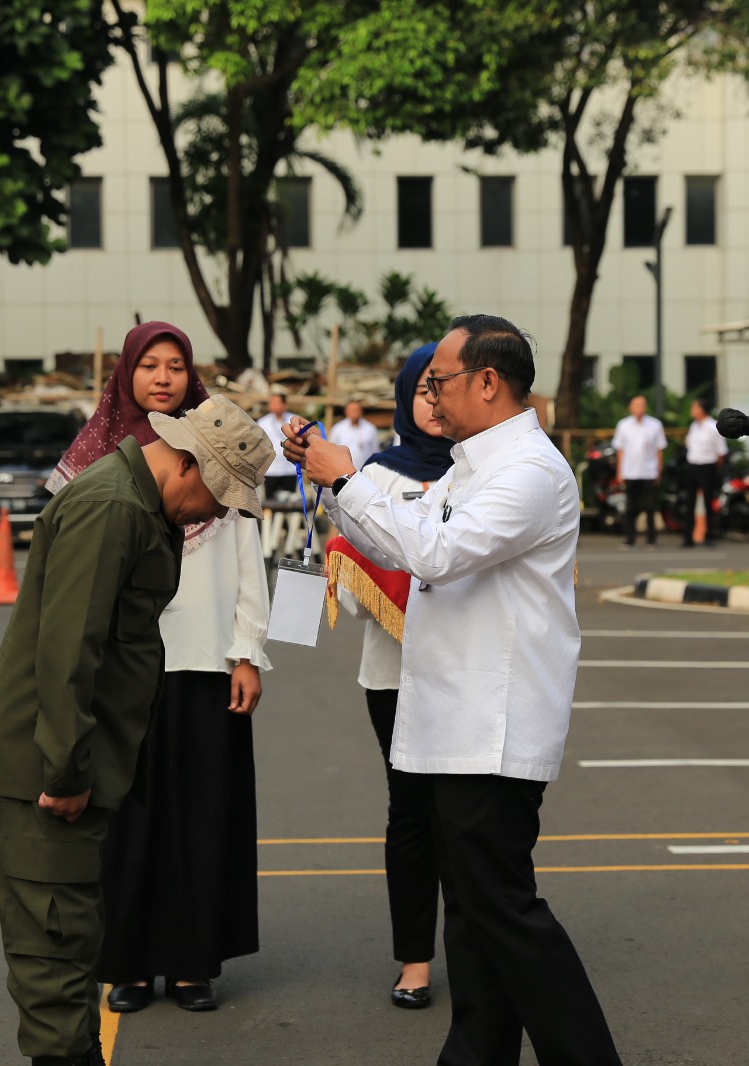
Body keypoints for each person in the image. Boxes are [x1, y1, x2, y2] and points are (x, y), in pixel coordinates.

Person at [281, 314, 622, 1066]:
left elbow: (435, 552)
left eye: (440, 380)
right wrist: (335, 486)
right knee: (471, 918)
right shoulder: (476, 463)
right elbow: (404, 530)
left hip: (491, 729)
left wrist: (347, 475)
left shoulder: (529, 470)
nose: (430, 396)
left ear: (489, 382)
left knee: (503, 913)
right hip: (454, 722)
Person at [0, 395, 271, 1066]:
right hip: (49, 774)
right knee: (55, 958)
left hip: (76, 764)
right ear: (187, 465)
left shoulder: (138, 506)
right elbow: (67, 654)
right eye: (220, 497)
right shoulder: (112, 509)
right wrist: (68, 773)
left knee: (73, 946)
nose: (218, 514)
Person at [42, 323, 271, 1017]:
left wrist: (247, 652)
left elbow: (248, 563)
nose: (164, 379)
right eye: (150, 366)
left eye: (176, 366)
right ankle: (130, 965)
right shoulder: (94, 461)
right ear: (125, 376)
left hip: (204, 664)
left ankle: (194, 963)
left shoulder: (217, 447)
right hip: (122, 675)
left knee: (202, 819)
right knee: (129, 823)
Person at [336, 343, 456, 1009]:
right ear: (405, 399)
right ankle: (414, 959)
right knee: (411, 814)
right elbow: (355, 602)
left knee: (468, 818)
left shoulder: (484, 473)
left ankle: (477, 949)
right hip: (395, 676)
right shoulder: (373, 478)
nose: (434, 403)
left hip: (469, 674)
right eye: (423, 390)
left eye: (445, 388)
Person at [612, 393, 667, 548]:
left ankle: (651, 539)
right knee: (631, 507)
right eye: (636, 405)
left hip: (649, 471)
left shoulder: (655, 425)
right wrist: (619, 472)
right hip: (630, 471)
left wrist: (659, 470)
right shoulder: (623, 425)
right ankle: (630, 539)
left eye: (642, 405)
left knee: (650, 507)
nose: (639, 408)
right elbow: (620, 450)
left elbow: (659, 450)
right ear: (630, 407)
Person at [681, 397, 728, 547]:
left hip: (707, 467)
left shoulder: (713, 427)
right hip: (692, 466)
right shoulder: (694, 426)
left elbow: (721, 452)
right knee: (690, 503)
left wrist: (715, 468)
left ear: (702, 409)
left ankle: (710, 536)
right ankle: (688, 537)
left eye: (694, 407)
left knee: (708, 503)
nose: (692, 410)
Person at [257, 391, 299, 498]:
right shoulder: (263, 422)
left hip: (289, 468)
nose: (273, 405)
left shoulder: (293, 420)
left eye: (276, 402)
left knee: (290, 501)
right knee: (270, 502)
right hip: (271, 469)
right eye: (272, 402)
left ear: (284, 405)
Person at [329, 399, 380, 470]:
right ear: (346, 411)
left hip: (365, 471)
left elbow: (375, 451)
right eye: (351, 410)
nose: (354, 412)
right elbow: (331, 451)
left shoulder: (370, 428)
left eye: (356, 410)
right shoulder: (337, 429)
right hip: (343, 471)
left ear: (361, 411)